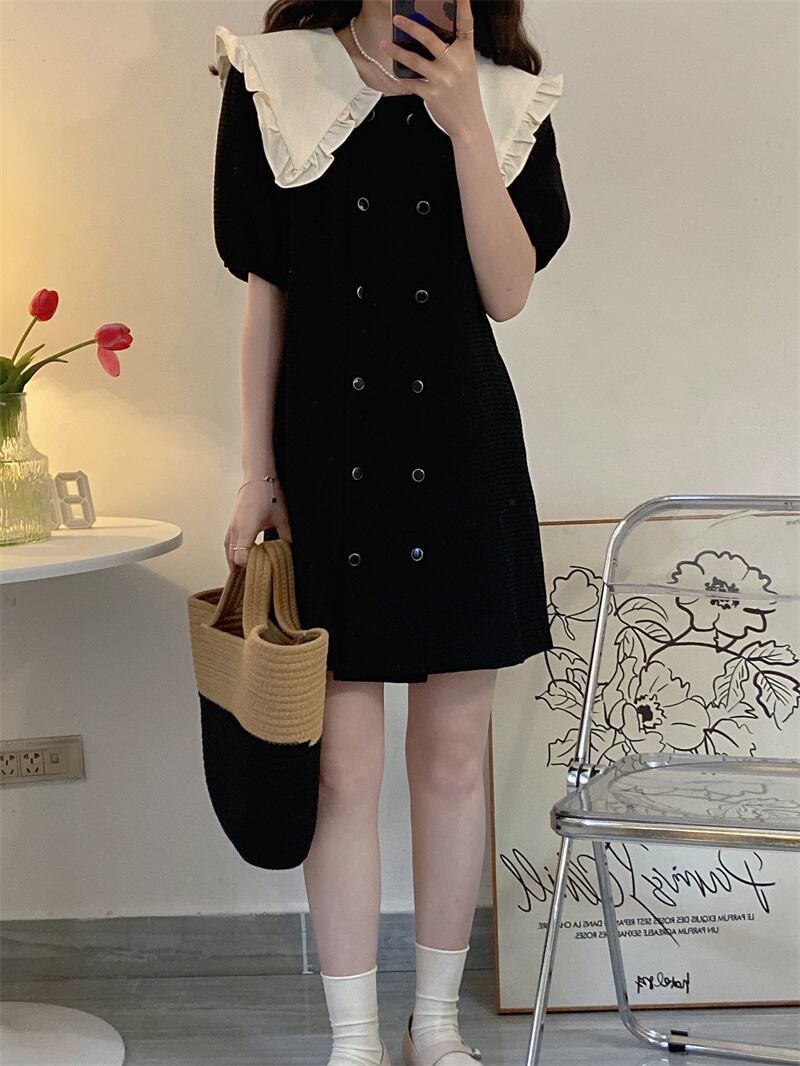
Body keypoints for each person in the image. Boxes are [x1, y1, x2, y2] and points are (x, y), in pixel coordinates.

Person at [211, 1, 570, 1062]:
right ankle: (355, 1037)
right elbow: (266, 299)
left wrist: (464, 118)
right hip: (326, 464)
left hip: (459, 457)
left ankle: (436, 1027)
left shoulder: (507, 96)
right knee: (341, 768)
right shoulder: (276, 78)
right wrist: (256, 473)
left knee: (452, 759)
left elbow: (507, 291)